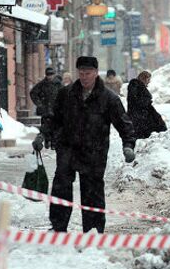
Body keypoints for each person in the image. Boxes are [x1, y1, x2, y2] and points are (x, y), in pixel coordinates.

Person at [49, 56, 136, 233]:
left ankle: (93, 231)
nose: (84, 76)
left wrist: (128, 145)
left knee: (92, 191)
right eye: (81, 73)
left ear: (96, 73)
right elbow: (53, 118)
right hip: (67, 147)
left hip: (94, 151)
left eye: (88, 73)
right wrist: (43, 135)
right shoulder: (66, 94)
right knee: (61, 187)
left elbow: (123, 123)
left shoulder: (108, 98)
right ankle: (58, 228)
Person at [127, 71, 167, 140]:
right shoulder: (135, 85)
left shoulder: (139, 86)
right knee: (144, 131)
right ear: (144, 78)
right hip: (139, 115)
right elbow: (135, 100)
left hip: (142, 113)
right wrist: (146, 101)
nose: (149, 81)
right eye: (148, 79)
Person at [30, 67, 63, 149]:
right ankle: (47, 141)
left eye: (51, 74)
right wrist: (39, 104)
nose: (50, 76)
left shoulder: (59, 84)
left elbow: (65, 95)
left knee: (56, 127)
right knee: (46, 128)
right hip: (46, 109)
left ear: (54, 75)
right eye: (48, 75)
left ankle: (54, 144)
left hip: (56, 110)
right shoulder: (42, 84)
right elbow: (33, 93)